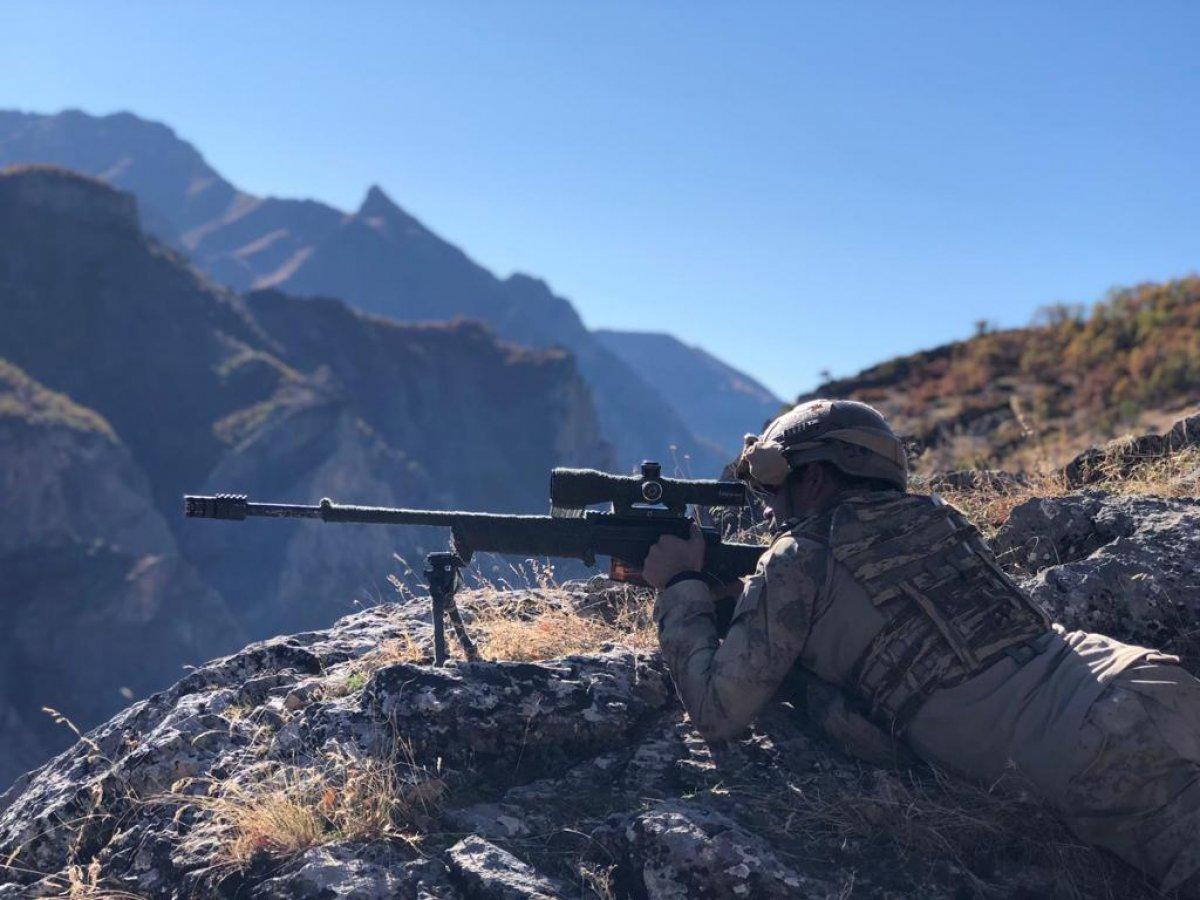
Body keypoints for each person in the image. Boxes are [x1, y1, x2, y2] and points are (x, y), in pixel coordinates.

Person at [643, 399, 1200, 893]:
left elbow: (719, 711)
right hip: (1137, 679)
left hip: (1091, 751)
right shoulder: (940, 517)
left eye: (772, 482)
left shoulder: (798, 558)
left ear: (815, 478)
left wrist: (679, 587)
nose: (767, 508)